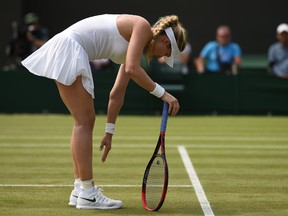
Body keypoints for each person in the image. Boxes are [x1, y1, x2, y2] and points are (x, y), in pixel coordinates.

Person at [21, 14, 187, 210]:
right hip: (70, 47)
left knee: (82, 122)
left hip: (66, 47)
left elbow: (116, 93)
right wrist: (164, 94)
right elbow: (133, 69)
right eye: (167, 53)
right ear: (166, 41)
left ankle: (80, 189)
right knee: (84, 121)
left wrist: (109, 132)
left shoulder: (136, 45)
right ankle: (88, 194)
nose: (163, 57)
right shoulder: (141, 27)